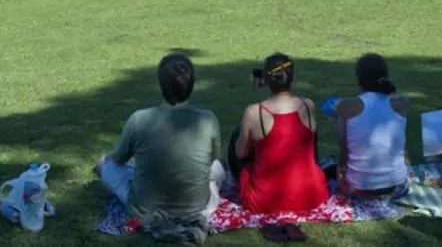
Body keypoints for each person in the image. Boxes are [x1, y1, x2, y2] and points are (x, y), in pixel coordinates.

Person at [96, 53, 226, 226]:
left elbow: (118, 159)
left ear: (161, 85)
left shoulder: (139, 119)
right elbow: (212, 160)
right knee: (217, 167)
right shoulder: (208, 120)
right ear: (192, 84)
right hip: (199, 210)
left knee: (104, 163)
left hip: (145, 210)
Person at [230, 53, 329, 224]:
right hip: (311, 195)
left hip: (266, 201)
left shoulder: (254, 112)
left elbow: (240, 153)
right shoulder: (308, 105)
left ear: (266, 80)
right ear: (292, 77)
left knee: (238, 137)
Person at [335, 53, 411, 198]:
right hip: (397, 186)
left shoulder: (346, 107)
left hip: (357, 187)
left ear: (359, 78)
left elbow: (343, 155)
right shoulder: (402, 103)